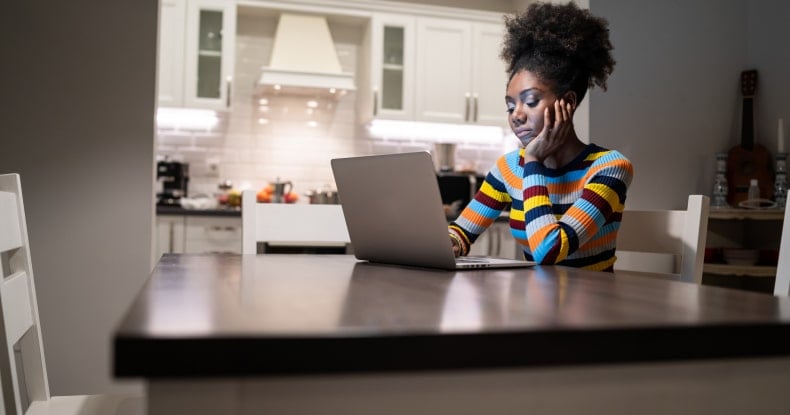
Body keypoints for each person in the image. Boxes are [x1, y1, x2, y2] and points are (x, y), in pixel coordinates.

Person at [448, 1, 633, 271]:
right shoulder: (509, 169)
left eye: (530, 101)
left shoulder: (610, 168)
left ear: (567, 103)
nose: (516, 115)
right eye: (511, 106)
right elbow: (462, 232)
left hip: (595, 308)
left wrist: (533, 159)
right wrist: (451, 242)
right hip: (535, 307)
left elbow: (549, 251)